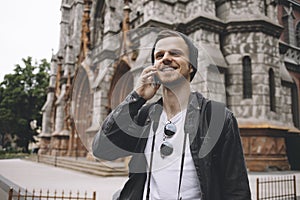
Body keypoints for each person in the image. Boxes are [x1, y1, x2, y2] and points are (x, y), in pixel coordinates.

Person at [92, 30, 251, 200]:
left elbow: (236, 191)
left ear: (191, 66)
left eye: (175, 53)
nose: (165, 58)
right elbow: (102, 149)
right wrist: (136, 98)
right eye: (159, 55)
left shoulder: (216, 117)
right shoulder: (145, 116)